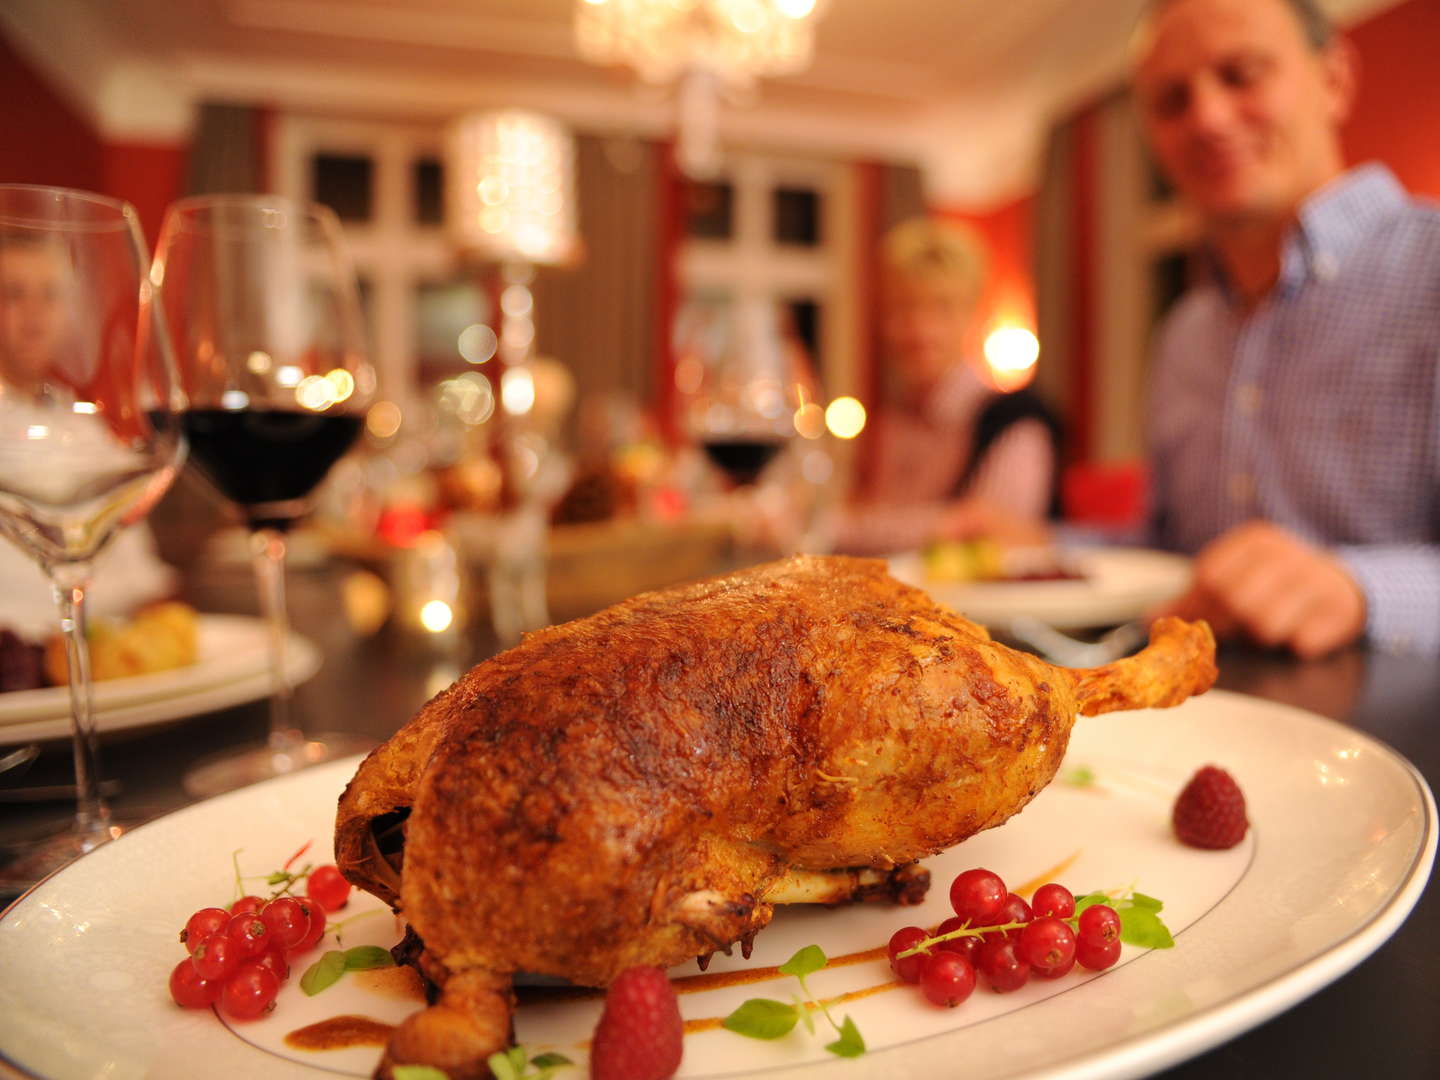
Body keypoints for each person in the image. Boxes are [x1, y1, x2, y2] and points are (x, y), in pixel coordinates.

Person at [1132, 0, 1440, 658]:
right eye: (1172, 101)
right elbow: (1168, 555)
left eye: (1241, 75)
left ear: (1334, 79)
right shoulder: (1184, 334)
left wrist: (1361, 588)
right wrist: (1039, 546)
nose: (1208, 119)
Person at [836, 218, 1062, 555]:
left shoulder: (1015, 423)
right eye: (903, 307)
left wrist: (839, 526)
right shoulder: (888, 421)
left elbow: (987, 539)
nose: (920, 329)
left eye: (941, 307)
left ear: (972, 315)